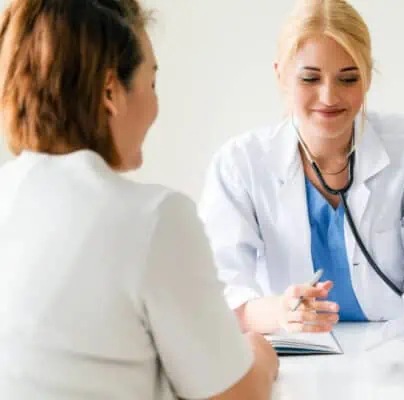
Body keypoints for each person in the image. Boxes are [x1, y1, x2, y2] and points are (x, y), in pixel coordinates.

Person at [0, 1, 277, 399]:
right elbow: (238, 396)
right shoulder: (155, 218)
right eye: (152, 82)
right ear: (111, 92)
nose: (155, 107)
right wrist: (259, 354)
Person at [199, 0, 404, 335]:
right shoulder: (240, 164)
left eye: (348, 78)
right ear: (280, 74)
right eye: (310, 78)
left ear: (368, 76)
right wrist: (278, 313)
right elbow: (215, 292)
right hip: (297, 360)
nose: (328, 96)